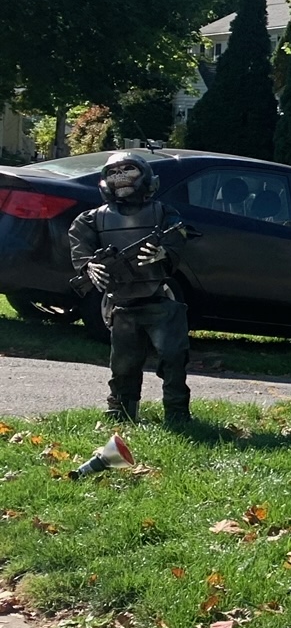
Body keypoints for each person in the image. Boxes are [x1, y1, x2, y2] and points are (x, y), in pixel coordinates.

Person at [68, 151, 191, 426]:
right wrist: (89, 266)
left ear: (145, 177)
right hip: (121, 305)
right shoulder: (92, 219)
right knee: (123, 365)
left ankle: (178, 412)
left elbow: (179, 235)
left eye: (128, 170)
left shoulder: (162, 213)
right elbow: (80, 246)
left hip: (159, 299)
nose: (120, 177)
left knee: (173, 359)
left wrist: (163, 253)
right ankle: (121, 412)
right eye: (113, 172)